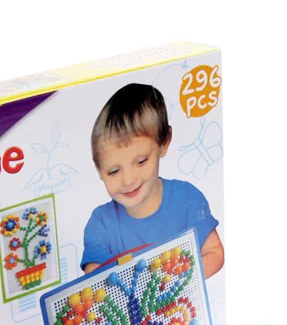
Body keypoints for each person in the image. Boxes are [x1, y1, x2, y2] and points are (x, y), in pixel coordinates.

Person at [81, 83, 224, 278]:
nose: (128, 181)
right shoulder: (100, 224)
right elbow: (95, 281)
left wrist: (175, 283)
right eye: (113, 171)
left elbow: (214, 253)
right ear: (98, 169)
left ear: (164, 142)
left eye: (141, 161)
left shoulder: (187, 199)